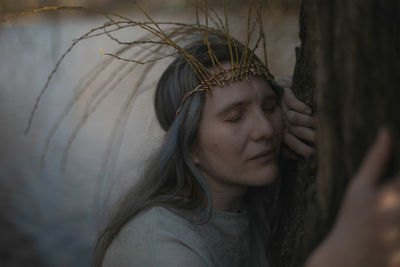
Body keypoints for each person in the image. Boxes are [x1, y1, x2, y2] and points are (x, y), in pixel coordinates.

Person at [93, 37, 400, 267]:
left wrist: (293, 99)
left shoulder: (250, 200)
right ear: (189, 144)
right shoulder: (157, 248)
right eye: (235, 117)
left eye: (269, 107)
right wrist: (343, 254)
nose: (266, 130)